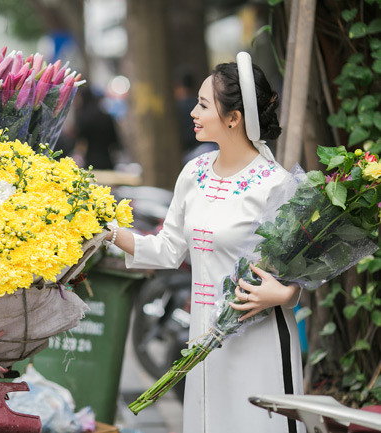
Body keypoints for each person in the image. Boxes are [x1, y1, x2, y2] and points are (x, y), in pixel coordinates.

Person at [106, 52, 305, 433]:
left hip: (256, 337)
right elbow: (167, 249)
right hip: (202, 335)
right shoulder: (194, 172)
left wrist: (283, 296)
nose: (193, 113)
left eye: (202, 104)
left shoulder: (275, 184)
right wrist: (110, 233)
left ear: (234, 118)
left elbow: (300, 272)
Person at [74, 87, 121, 170]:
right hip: (107, 160)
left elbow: (81, 141)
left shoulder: (84, 117)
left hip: (90, 161)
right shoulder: (107, 116)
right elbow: (115, 142)